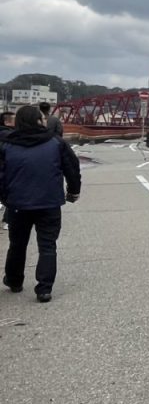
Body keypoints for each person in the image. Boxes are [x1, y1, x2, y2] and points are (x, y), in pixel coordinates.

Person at [0, 105, 81, 302]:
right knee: (47, 245)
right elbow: (71, 167)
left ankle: (14, 280)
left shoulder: (6, 144)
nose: (45, 121)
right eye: (43, 119)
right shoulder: (56, 143)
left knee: (17, 243)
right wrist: (73, 191)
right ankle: (44, 288)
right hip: (49, 203)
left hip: (17, 203)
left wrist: (5, 198)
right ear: (38, 121)